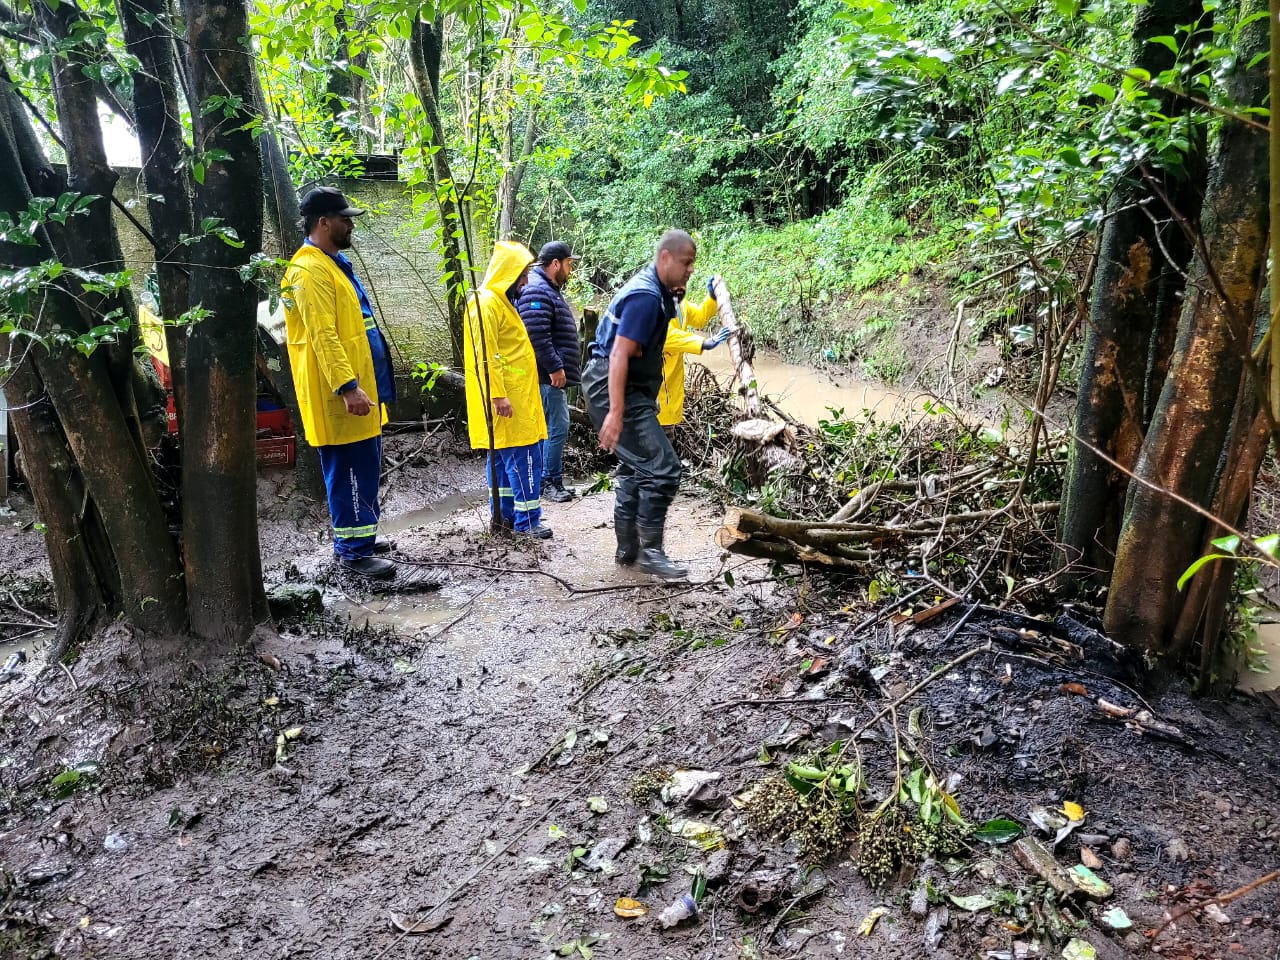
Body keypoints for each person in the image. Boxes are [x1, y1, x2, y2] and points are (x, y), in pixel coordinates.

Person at [282, 186, 397, 579]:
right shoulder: (308, 270)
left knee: (364, 465)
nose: (350, 224)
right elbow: (322, 334)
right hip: (341, 394)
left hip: (361, 387)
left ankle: (360, 538)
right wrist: (347, 386)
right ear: (323, 222)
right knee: (348, 470)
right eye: (345, 218)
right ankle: (351, 551)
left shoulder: (333, 262)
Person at [583, 229, 698, 580]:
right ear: (665, 258)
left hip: (621, 386)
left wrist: (675, 296)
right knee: (664, 468)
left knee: (637, 468)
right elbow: (619, 355)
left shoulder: (657, 292)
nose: (690, 270)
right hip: (613, 385)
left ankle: (628, 551)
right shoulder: (646, 296)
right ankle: (651, 553)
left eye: (693, 264)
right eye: (686, 263)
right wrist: (616, 413)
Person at [463, 240, 553, 539]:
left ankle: (504, 518)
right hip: (509, 402)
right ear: (509, 273)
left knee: (503, 462)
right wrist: (498, 394)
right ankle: (527, 521)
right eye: (523, 274)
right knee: (525, 459)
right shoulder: (486, 304)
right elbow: (484, 353)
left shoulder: (497, 303)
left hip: (513, 399)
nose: (526, 281)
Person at [517, 240, 581, 503]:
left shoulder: (546, 288)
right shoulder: (537, 291)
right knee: (557, 427)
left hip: (549, 376)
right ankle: (549, 482)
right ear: (555, 264)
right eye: (568, 264)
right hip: (546, 377)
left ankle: (549, 480)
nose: (570, 270)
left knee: (555, 426)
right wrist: (555, 368)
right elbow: (536, 334)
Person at [658, 277, 730, 431]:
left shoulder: (680, 304)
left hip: (671, 384)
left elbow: (699, 318)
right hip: (654, 388)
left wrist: (711, 298)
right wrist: (702, 343)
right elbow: (665, 335)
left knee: (667, 433)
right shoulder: (654, 306)